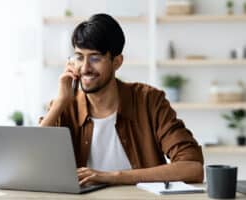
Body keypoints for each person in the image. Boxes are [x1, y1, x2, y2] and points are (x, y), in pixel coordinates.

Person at [39, 13, 203, 186]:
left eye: (95, 58)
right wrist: (59, 104)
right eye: (79, 57)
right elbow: (29, 164)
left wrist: (112, 177)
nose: (85, 68)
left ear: (117, 61)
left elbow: (192, 168)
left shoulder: (149, 101)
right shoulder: (65, 105)